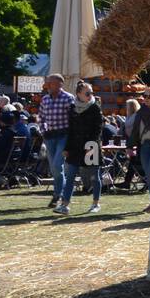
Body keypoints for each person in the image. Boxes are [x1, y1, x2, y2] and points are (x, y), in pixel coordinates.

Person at [57, 81, 103, 215]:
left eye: (91, 93)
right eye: (87, 93)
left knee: (94, 176)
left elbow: (98, 128)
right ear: (78, 94)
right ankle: (64, 205)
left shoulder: (95, 107)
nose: (90, 96)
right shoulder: (72, 108)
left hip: (91, 145)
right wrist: (67, 147)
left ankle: (96, 203)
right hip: (75, 147)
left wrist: (92, 145)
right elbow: (70, 130)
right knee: (70, 175)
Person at [38, 74, 75, 208]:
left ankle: (57, 194)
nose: (47, 85)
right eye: (47, 83)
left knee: (56, 165)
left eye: (50, 83)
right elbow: (41, 117)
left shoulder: (68, 98)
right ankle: (59, 193)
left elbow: (73, 119)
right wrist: (43, 130)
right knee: (54, 169)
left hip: (63, 135)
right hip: (49, 136)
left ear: (60, 84)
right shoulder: (45, 99)